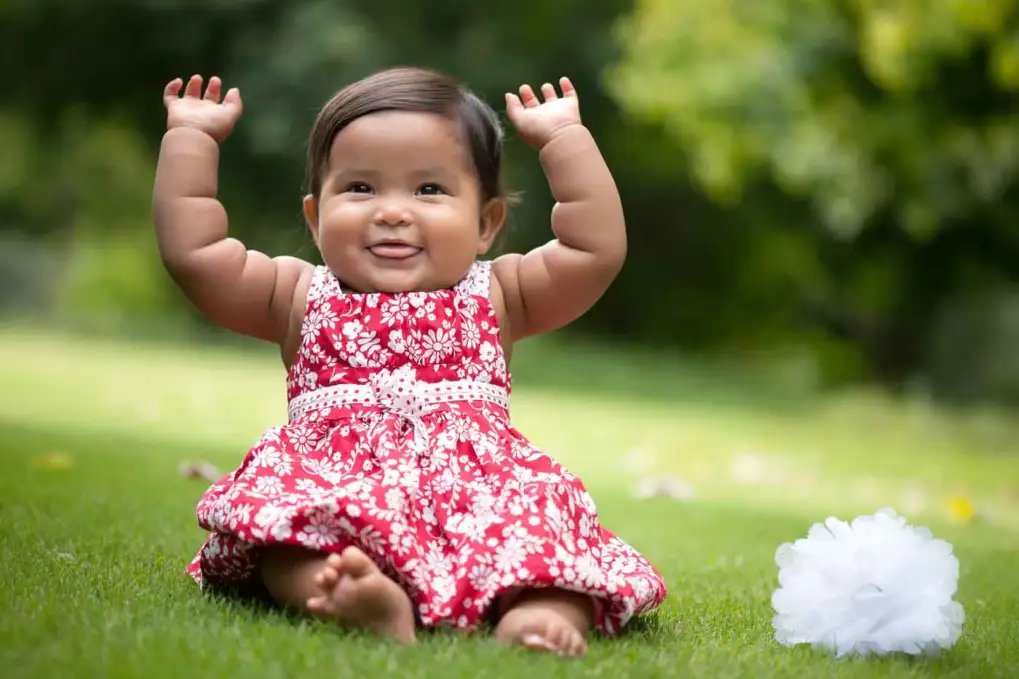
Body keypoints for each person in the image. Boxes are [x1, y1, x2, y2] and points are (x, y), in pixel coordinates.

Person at [154, 66, 667, 656]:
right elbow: (195, 255)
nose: (392, 212)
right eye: (361, 189)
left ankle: (538, 612)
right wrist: (190, 138)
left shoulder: (500, 294)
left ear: (485, 223)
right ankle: (354, 597)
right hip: (340, 488)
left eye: (429, 190)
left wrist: (563, 139)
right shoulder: (296, 295)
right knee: (283, 536)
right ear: (317, 217)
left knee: (543, 525)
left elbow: (593, 250)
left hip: (481, 494)